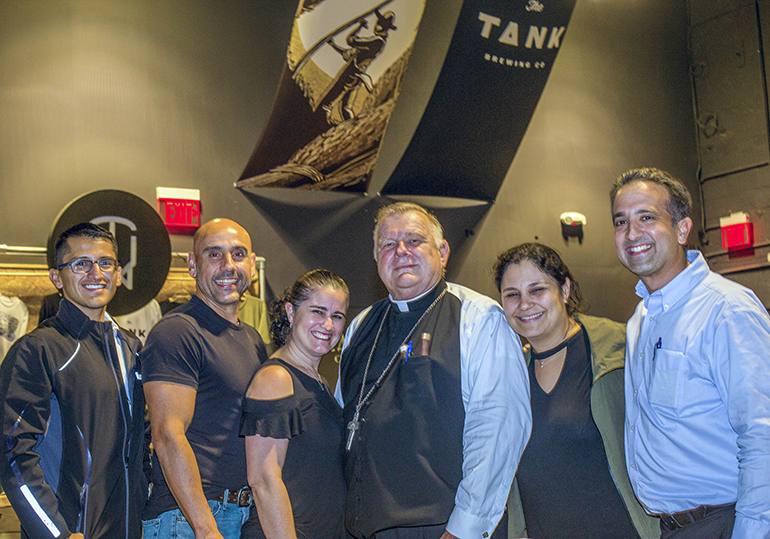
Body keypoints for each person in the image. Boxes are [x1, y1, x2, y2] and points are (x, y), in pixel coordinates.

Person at [336, 202, 531, 539]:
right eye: (388, 244)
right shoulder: (360, 324)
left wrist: (465, 529)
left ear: (442, 252)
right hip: (363, 526)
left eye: (414, 241)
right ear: (376, 257)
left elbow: (497, 430)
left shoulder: (479, 318)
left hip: (443, 527)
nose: (401, 252)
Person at [610, 168, 770, 538]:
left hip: (727, 522)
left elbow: (762, 434)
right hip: (673, 528)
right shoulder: (641, 319)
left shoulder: (726, 309)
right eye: (621, 222)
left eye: (647, 217)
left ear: (682, 229)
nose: (632, 233)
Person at [493, 242, 658, 539]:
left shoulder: (621, 348)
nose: (525, 304)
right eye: (512, 295)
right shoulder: (509, 375)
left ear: (565, 290)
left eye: (537, 290)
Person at [0, 222, 146, 539]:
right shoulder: (38, 349)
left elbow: (139, 448)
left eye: (105, 263)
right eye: (81, 264)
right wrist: (55, 533)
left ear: (119, 274)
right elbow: (13, 453)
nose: (96, 274)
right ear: (57, 278)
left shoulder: (131, 348)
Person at [141, 218, 268, 539]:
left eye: (238, 254)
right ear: (193, 265)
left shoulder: (251, 338)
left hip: (240, 513)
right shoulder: (177, 331)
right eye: (214, 255)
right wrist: (206, 528)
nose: (228, 265)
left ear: (252, 265)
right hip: (189, 519)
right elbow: (167, 435)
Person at [241, 269, 348, 539]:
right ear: (291, 312)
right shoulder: (275, 378)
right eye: (318, 312)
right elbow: (263, 481)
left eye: (337, 316)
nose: (327, 325)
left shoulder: (320, 382)